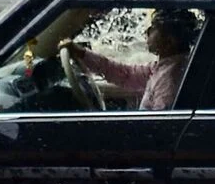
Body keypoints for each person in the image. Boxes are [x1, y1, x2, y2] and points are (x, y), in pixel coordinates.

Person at [64, 8, 201, 111]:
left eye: (153, 29)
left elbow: (160, 123)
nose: (146, 32)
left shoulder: (170, 79)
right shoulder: (165, 67)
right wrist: (81, 53)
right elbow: (126, 74)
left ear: (170, 41)